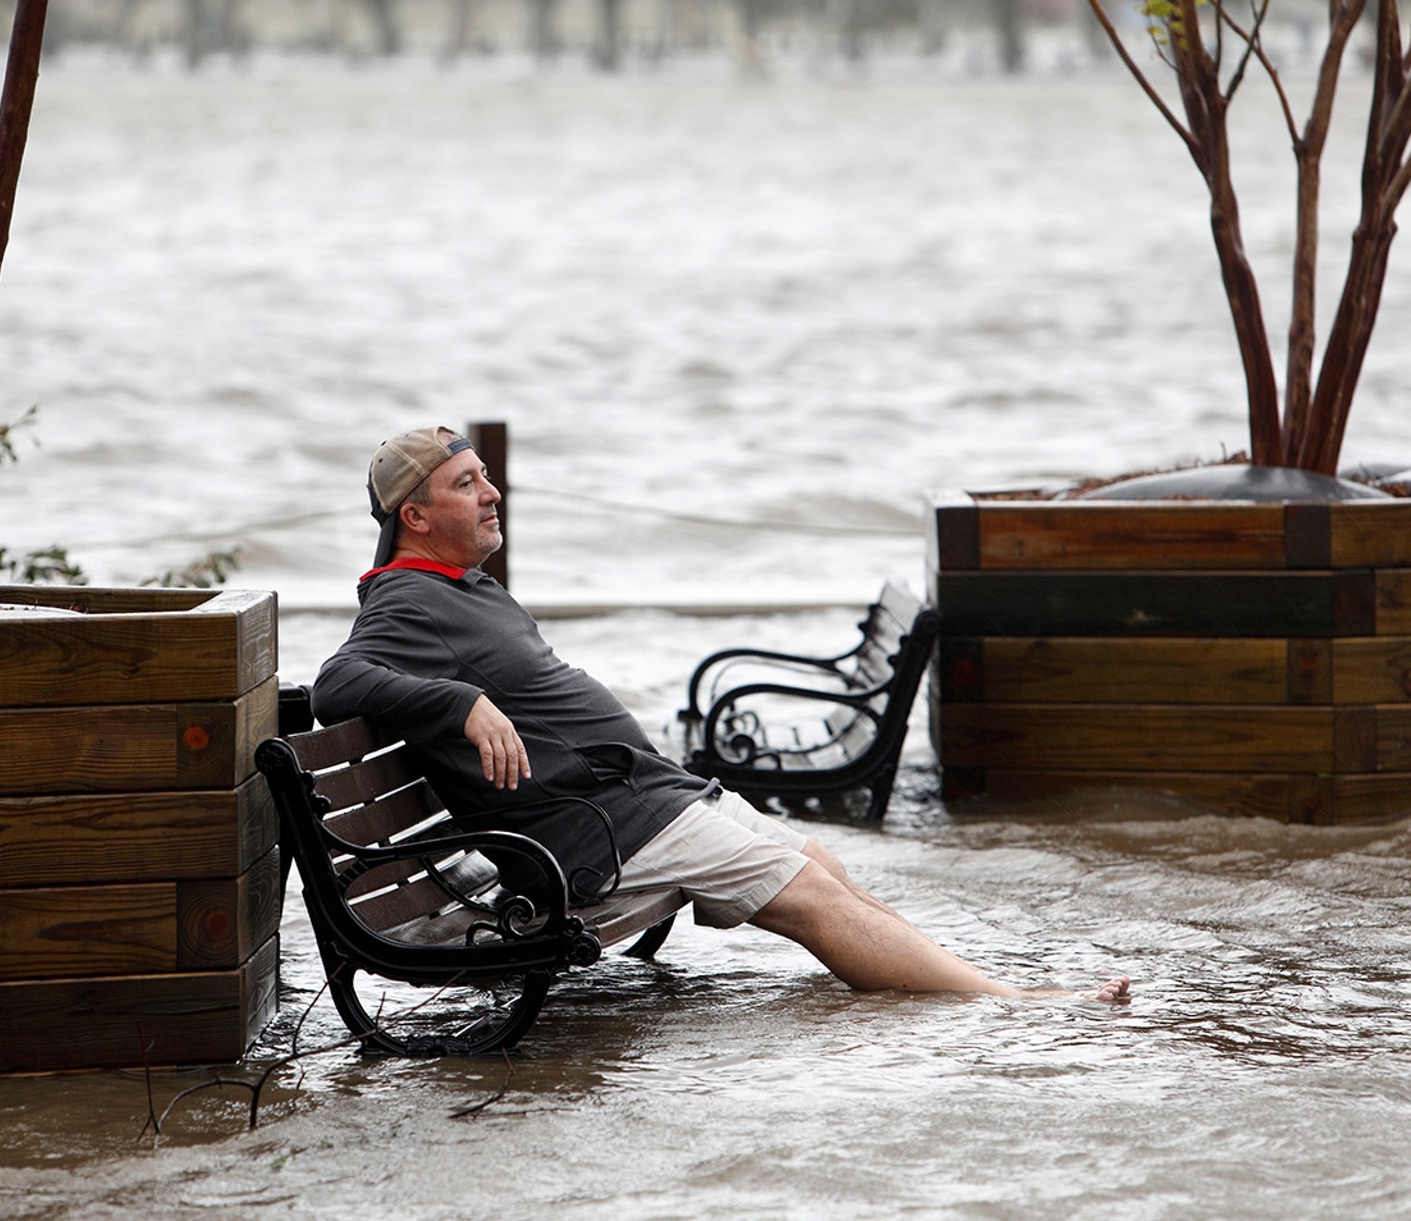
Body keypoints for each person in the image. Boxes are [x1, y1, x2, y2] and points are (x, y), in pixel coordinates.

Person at [312, 426, 1129, 1002]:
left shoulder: (460, 589)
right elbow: (336, 683)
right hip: (598, 836)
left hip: (644, 799)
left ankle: (975, 982)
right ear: (413, 519)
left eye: (486, 476)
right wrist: (461, 704)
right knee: (811, 896)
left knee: (824, 869)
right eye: (466, 485)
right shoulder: (406, 601)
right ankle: (1009, 1004)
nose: (492, 493)